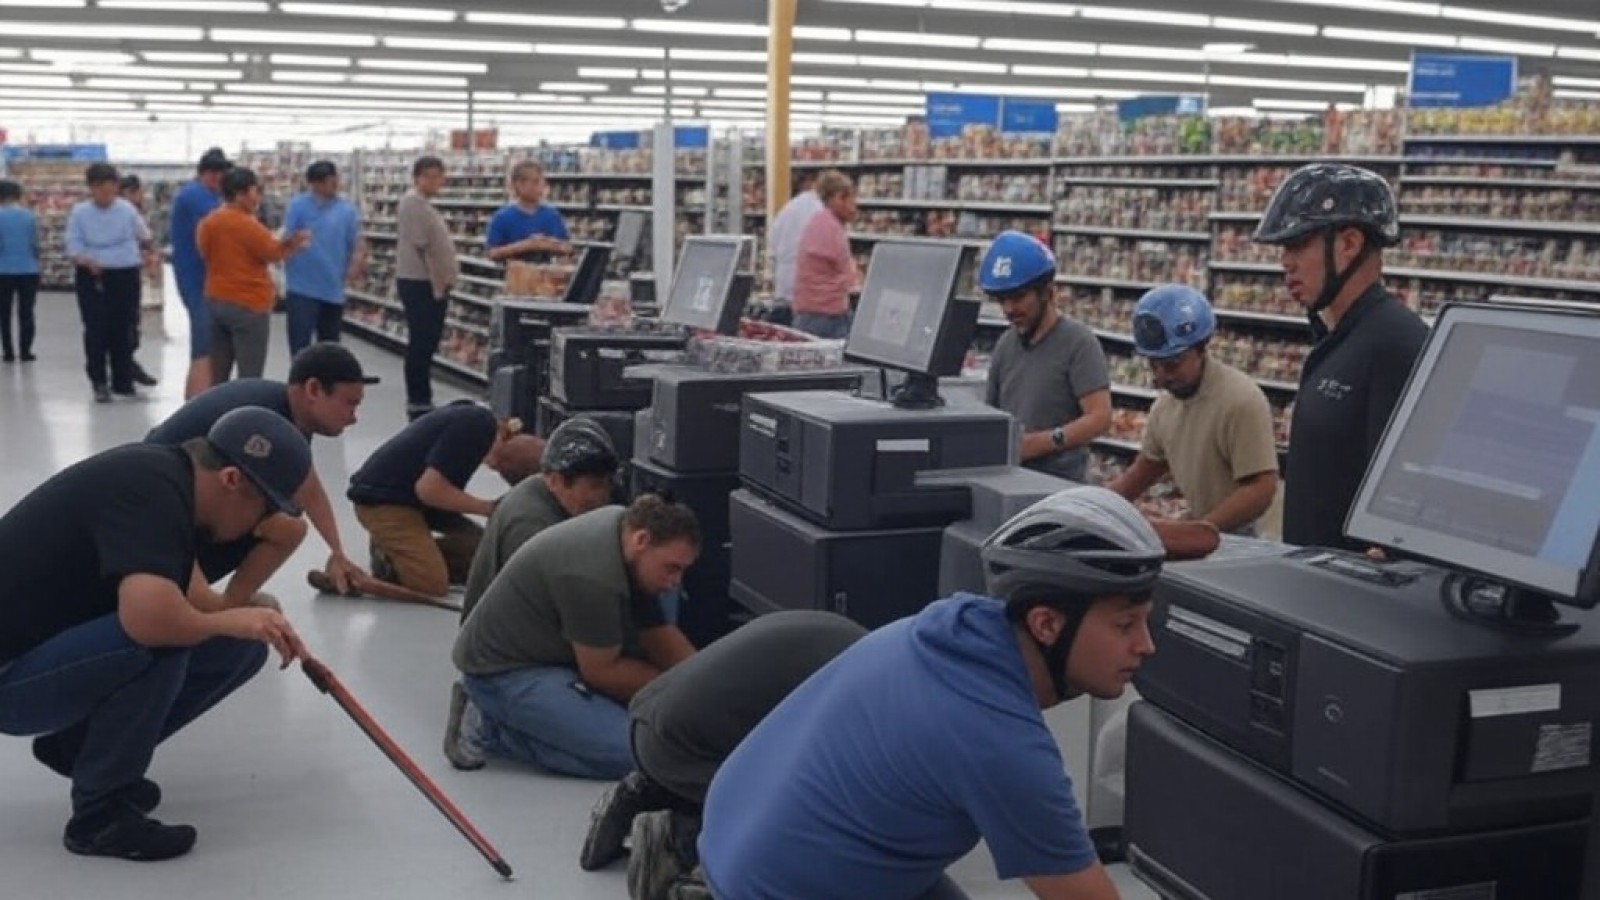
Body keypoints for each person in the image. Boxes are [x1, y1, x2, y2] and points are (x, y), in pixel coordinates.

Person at [697, 486, 1165, 900]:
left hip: (745, 838)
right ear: (1046, 623)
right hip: (780, 885)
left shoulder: (940, 634)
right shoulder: (997, 739)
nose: (1146, 645)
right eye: (1125, 624)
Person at [0, 407, 312, 862]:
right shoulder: (150, 491)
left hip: (40, 655)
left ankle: (81, 751)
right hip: (9, 674)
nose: (257, 525)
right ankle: (98, 818)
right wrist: (229, 620)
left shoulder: (170, 482)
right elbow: (149, 620)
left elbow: (194, 599)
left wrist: (248, 617)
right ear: (230, 480)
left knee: (237, 647)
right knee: (159, 640)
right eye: (263, 508)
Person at [579, 611, 868, 900]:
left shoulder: (862, 646)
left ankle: (649, 792)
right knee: (813, 820)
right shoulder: (867, 696)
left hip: (651, 717)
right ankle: (676, 839)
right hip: (679, 747)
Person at [449, 495, 701, 780]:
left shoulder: (625, 529)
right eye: (672, 567)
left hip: (562, 650)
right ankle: (489, 727)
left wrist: (703, 684)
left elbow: (655, 629)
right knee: (638, 757)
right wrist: (682, 696)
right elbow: (602, 672)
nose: (676, 580)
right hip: (506, 673)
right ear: (641, 540)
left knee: (663, 598)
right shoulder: (590, 576)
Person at [1251, 163, 1427, 550]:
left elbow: (1401, 502)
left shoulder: (1398, 344)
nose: (1285, 262)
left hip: (1345, 596)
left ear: (1348, 244)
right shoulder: (1337, 336)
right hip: (1312, 582)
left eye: (1298, 244)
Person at [444, 417, 621, 768]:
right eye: (593, 486)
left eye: (606, 484)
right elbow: (571, 623)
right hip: (513, 665)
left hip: (538, 644)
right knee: (627, 756)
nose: (602, 497)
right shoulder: (531, 527)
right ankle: (491, 728)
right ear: (555, 481)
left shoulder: (565, 504)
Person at [146, 341, 377, 605]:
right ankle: (215, 608)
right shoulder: (264, 420)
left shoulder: (282, 413)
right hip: (158, 521)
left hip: (173, 511)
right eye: (349, 404)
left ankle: (225, 605)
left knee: (283, 518)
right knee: (285, 525)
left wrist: (338, 554)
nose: (353, 417)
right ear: (313, 389)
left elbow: (307, 487)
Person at [1108, 285, 1280, 536]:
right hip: (1208, 530)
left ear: (1201, 349)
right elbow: (1143, 471)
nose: (1160, 377)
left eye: (1172, 365)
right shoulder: (1164, 408)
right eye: (1153, 365)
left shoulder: (1241, 400)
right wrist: (1093, 507)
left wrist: (1198, 531)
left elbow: (1261, 489)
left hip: (1251, 540)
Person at [346, 401, 546, 600]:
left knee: (484, 556)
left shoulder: (471, 417)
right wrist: (488, 508)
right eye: (502, 468)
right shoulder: (477, 425)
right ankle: (387, 560)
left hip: (416, 502)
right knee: (431, 585)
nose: (494, 469)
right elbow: (429, 490)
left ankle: (412, 553)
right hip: (384, 501)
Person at [980, 231, 1113, 483]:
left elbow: (1100, 417)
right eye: (1002, 300)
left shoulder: (1079, 342)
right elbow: (991, 414)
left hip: (1061, 485)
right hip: (1011, 480)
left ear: (1047, 292)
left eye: (1018, 297)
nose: (1009, 309)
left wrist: (1042, 442)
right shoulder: (1005, 344)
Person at [197, 167, 311, 383]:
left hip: (216, 299)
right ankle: (244, 414)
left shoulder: (208, 223)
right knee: (249, 374)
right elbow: (273, 254)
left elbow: (204, 252)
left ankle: (217, 413)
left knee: (218, 373)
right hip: (248, 304)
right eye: (254, 191)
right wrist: (294, 243)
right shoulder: (248, 225)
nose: (257, 197)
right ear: (241, 194)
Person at [67, 162, 153, 403]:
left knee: (125, 327)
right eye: (99, 187)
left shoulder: (126, 210)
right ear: (91, 188)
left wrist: (150, 254)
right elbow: (73, 245)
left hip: (125, 272)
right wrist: (85, 260)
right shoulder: (80, 213)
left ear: (116, 187)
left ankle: (123, 380)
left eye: (110, 186)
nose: (105, 192)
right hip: (93, 274)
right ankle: (99, 381)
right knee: (96, 328)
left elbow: (144, 236)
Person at [395, 155, 458, 420]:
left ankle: (422, 396)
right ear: (417, 177)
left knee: (426, 341)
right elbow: (424, 248)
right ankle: (419, 399)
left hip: (427, 283)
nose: (435, 182)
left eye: (439, 176)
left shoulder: (422, 204)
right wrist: (438, 283)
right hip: (421, 283)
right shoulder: (413, 204)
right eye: (429, 176)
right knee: (422, 341)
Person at [283, 160, 366, 355]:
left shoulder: (347, 210)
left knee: (330, 349)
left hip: (333, 288)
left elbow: (357, 242)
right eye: (330, 182)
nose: (335, 185)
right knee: (300, 346)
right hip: (301, 288)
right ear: (315, 184)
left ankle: (326, 384)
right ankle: (299, 383)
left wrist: (357, 263)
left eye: (336, 180)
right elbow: (287, 239)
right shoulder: (298, 206)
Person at [170, 147, 231, 399]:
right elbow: (217, 234)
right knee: (204, 348)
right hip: (198, 280)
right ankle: (196, 406)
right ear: (211, 175)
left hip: (200, 278)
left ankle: (199, 403)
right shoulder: (198, 197)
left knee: (207, 346)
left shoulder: (199, 195)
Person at [791, 169, 859, 339]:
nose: (855, 206)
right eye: (851, 198)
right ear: (839, 198)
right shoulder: (831, 229)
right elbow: (851, 279)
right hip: (827, 319)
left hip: (807, 314)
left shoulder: (818, 221)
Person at [117, 173, 161, 388]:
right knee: (127, 325)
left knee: (129, 324)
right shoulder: (127, 213)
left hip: (129, 272)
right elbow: (146, 241)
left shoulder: (131, 213)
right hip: (123, 273)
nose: (142, 196)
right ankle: (126, 368)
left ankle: (126, 366)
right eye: (139, 192)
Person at [484, 160, 571, 265]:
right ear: (519, 185)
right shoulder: (502, 217)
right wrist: (525, 246)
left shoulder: (552, 215)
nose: (541, 187)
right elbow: (492, 253)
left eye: (542, 182)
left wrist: (547, 244)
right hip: (513, 277)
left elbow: (567, 247)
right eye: (535, 182)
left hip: (545, 277)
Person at [764, 169, 821, 325]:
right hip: (811, 297)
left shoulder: (786, 210)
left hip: (784, 289)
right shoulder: (821, 209)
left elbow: (772, 247)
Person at [0, 178, 39, 364]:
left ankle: (8, 351)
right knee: (27, 312)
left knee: (4, 312)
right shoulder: (29, 216)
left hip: (3, 270)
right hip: (29, 269)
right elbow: (34, 244)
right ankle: (26, 351)